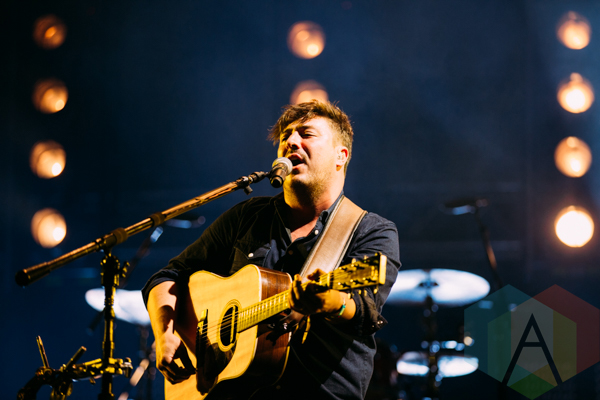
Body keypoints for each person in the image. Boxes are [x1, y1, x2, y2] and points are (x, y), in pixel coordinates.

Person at [142, 99, 401, 400]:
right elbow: (168, 276)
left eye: (306, 133)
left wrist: (330, 301)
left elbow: (365, 312)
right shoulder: (247, 217)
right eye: (286, 136)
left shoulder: (371, 231)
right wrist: (166, 334)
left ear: (340, 156)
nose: (291, 141)